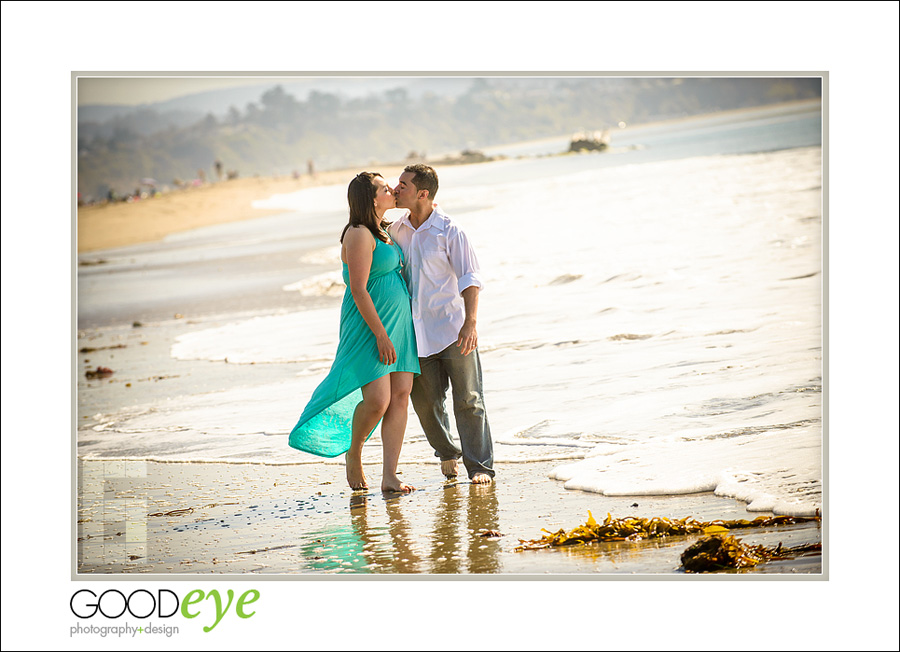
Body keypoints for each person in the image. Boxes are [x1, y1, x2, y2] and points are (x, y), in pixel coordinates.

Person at [288, 172, 419, 493]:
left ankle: (390, 475)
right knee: (377, 401)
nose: (392, 191)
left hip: (399, 325)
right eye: (385, 188)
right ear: (372, 199)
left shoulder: (383, 230)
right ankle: (354, 452)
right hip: (370, 327)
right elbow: (358, 289)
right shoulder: (359, 233)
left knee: (400, 397)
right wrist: (380, 334)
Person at [390, 164, 495, 484]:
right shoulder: (396, 231)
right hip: (413, 334)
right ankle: (448, 452)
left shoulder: (451, 230)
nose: (396, 189)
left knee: (469, 399)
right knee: (425, 404)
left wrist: (471, 323)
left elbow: (470, 278)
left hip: (452, 330)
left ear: (423, 194)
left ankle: (479, 467)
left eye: (403, 185)